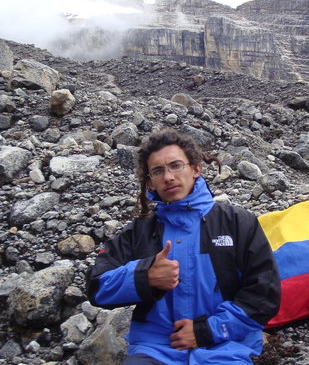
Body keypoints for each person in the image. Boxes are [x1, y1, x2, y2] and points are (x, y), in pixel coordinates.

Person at [87, 128, 281, 364]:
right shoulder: (139, 232)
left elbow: (265, 292)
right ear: (150, 183)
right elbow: (97, 286)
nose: (168, 177)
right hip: (155, 349)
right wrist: (144, 276)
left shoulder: (238, 223)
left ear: (195, 169)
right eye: (158, 171)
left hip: (227, 348)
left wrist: (208, 330)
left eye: (176, 165)